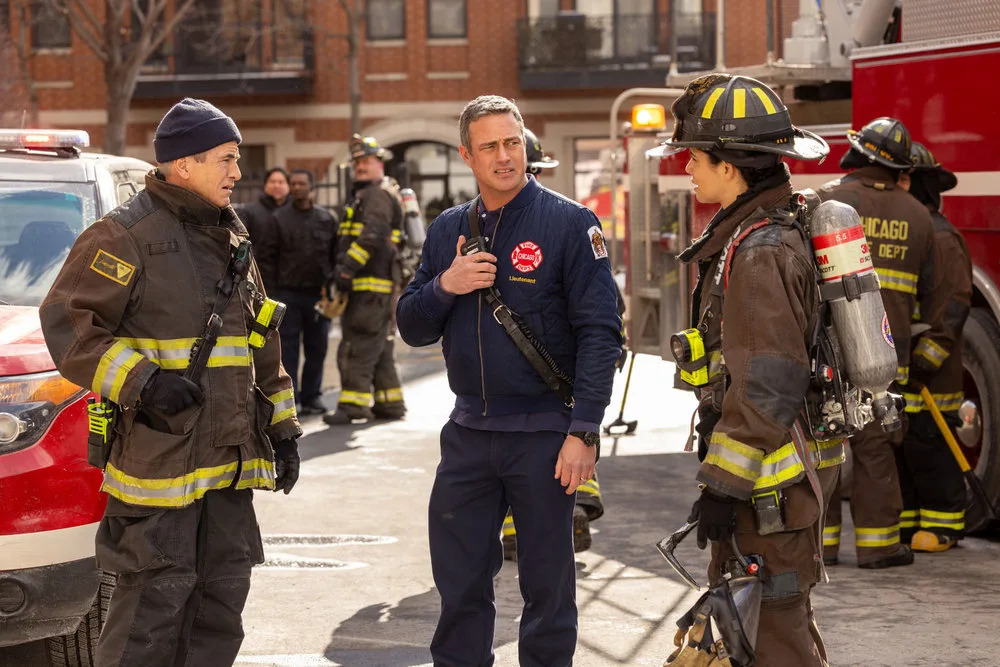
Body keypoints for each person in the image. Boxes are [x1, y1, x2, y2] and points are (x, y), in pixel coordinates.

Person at [38, 97, 302, 665]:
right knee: (150, 615)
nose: (237, 171)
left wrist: (283, 429)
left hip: (229, 467)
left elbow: (260, 339)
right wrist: (146, 383)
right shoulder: (124, 236)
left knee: (220, 606)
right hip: (159, 470)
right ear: (184, 164)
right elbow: (69, 325)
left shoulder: (233, 238)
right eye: (226, 158)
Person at [396, 95, 622, 666]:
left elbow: (601, 334)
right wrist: (446, 284)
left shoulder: (570, 223)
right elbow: (412, 327)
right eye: (490, 146)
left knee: (548, 588)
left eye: (512, 143)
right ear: (467, 156)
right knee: (459, 584)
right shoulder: (448, 229)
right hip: (468, 434)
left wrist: (584, 430)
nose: (504, 156)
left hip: (545, 436)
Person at [655, 73, 842, 665]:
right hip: (774, 483)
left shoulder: (760, 252)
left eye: (696, 157)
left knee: (774, 635)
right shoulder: (761, 229)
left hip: (771, 489)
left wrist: (723, 485)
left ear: (730, 167)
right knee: (758, 627)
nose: (688, 167)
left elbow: (768, 382)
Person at [818, 117, 937, 569]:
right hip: (886, 350)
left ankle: (821, 545)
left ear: (858, 155)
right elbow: (934, 295)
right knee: (875, 447)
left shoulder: (826, 201)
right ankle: (879, 546)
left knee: (826, 444)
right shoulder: (919, 215)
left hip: (830, 351)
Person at [499, 127, 605, 561]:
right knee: (568, 444)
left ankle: (523, 527)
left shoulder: (569, 221)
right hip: (561, 376)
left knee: (546, 449)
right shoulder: (554, 221)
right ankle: (574, 506)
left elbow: (599, 316)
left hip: (544, 380)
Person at [894, 141, 970, 552]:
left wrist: (926, 359)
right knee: (904, 448)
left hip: (931, 376)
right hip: (906, 370)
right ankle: (908, 525)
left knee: (932, 446)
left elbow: (953, 305)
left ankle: (944, 526)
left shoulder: (940, 237)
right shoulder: (913, 230)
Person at [323, 134, 407, 424]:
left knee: (357, 345)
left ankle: (352, 406)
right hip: (377, 286)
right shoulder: (372, 193)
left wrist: (347, 268)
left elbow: (373, 234)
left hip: (369, 285)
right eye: (357, 162)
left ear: (380, 163)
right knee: (378, 345)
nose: (360, 166)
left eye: (367, 161)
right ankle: (390, 403)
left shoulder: (376, 195)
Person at [273, 169, 338, 415]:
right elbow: (269, 257)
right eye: (293, 184)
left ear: (312, 187)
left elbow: (335, 255)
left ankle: (313, 397)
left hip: (318, 296)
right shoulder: (279, 218)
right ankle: (293, 399)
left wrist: (331, 286)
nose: (297, 187)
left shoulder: (327, 219)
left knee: (317, 348)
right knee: (288, 350)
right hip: (287, 294)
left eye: (302, 183)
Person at [235, 166, 290, 293]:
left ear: (288, 186)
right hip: (261, 279)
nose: (276, 185)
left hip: (290, 282)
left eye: (281, 182)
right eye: (272, 181)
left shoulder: (295, 213)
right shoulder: (249, 212)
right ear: (265, 185)